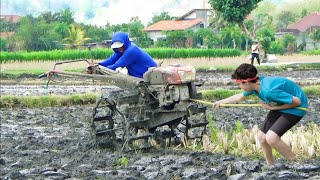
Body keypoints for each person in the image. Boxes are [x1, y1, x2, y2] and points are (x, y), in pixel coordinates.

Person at [213, 63, 308, 166]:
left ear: (246, 82)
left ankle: (295, 163)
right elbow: (239, 97)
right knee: (262, 137)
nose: (240, 86)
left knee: (272, 138)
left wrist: (273, 108)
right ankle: (270, 166)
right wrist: (221, 102)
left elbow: (297, 102)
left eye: (239, 84)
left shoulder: (269, 91)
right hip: (282, 104)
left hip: (296, 108)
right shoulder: (255, 87)